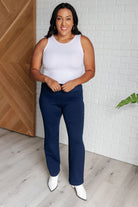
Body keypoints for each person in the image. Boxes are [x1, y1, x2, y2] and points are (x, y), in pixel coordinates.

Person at [30, 2, 95, 201]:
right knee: (51, 136)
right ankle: (54, 173)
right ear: (54, 21)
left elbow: (91, 71)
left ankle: (77, 181)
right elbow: (33, 71)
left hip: (73, 96)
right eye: (59, 18)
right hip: (49, 96)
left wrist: (74, 82)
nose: (63, 22)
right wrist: (47, 79)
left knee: (76, 139)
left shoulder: (83, 41)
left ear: (73, 20)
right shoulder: (44, 43)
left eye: (68, 18)